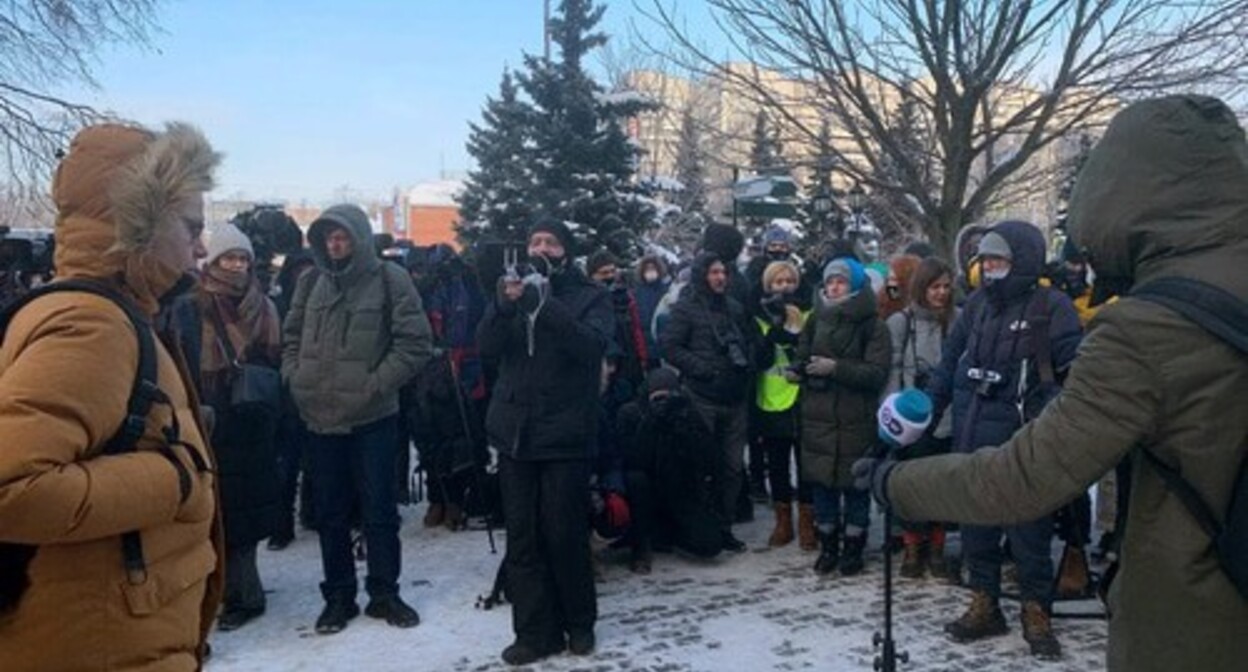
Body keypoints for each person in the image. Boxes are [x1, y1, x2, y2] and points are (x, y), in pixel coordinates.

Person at [860, 94, 1248, 671]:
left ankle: (1034, 609)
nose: (989, 271)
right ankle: (985, 600)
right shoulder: (979, 311)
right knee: (987, 544)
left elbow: (1026, 477)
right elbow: (950, 369)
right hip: (977, 430)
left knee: (1028, 537)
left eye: (998, 261)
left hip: (1197, 619)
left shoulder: (1141, 326)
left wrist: (898, 484)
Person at [0, 122, 222, 670]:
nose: (201, 246)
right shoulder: (92, 324)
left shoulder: (123, 316)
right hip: (94, 647)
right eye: (190, 226)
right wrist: (175, 478)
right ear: (140, 221)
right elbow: (11, 487)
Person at [283, 204, 433, 635]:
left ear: (359, 239)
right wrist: (296, 379)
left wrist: (374, 385)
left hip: (373, 420)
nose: (336, 244)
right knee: (329, 513)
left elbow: (415, 344)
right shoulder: (310, 282)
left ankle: (384, 593)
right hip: (319, 418)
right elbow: (290, 336)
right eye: (329, 237)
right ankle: (339, 597)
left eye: (344, 236)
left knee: (379, 512)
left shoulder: (390, 280)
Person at [477, 218, 613, 667]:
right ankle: (534, 631)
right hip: (516, 432)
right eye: (534, 241)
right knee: (523, 537)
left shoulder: (590, 295)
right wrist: (501, 306)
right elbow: (487, 349)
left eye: (551, 243)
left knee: (563, 532)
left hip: (565, 433)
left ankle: (578, 622)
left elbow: (592, 348)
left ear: (566, 252)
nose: (541, 248)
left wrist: (548, 306)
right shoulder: (511, 293)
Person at [195, 223, 283, 631]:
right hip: (210, 415)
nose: (236, 266)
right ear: (213, 261)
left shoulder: (264, 305)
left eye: (242, 259)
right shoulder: (194, 303)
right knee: (218, 512)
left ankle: (244, 594)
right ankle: (231, 591)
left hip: (252, 417)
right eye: (229, 258)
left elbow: (276, 354)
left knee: (245, 513)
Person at [792, 257, 890, 576]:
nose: (833, 287)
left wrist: (838, 369)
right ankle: (828, 545)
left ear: (855, 285)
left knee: (855, 487)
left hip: (855, 417)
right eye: (829, 281)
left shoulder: (873, 325)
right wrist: (798, 371)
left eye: (841, 281)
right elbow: (802, 353)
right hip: (818, 415)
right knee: (823, 486)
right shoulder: (815, 318)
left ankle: (853, 547)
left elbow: (876, 372)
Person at [661, 251, 762, 553]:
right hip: (702, 395)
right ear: (702, 275)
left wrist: (750, 362)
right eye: (714, 272)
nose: (720, 278)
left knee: (732, 467)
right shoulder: (686, 308)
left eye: (723, 273)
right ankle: (701, 527)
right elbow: (670, 346)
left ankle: (724, 525)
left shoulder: (733, 307)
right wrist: (701, 369)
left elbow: (749, 340)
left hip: (734, 396)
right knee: (703, 466)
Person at [884, 256, 958, 579]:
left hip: (949, 418)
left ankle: (938, 549)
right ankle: (913, 547)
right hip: (911, 418)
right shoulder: (902, 322)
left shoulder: (959, 320)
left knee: (942, 488)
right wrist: (892, 414)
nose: (941, 293)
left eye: (945, 286)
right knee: (911, 488)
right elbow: (893, 371)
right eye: (934, 286)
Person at [617, 367, 723, 570]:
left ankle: (671, 534)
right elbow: (634, 459)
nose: (663, 403)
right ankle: (642, 544)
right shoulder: (630, 413)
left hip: (680, 490)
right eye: (658, 398)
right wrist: (651, 421)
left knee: (710, 545)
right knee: (635, 479)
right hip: (645, 493)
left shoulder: (686, 412)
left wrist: (685, 426)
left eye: (668, 397)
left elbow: (711, 459)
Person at [751, 260, 815, 549]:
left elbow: (811, 351)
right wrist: (774, 332)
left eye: (790, 281)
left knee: (806, 463)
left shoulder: (810, 312)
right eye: (779, 281)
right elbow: (758, 358)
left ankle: (806, 521)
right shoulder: (757, 316)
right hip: (772, 398)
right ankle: (783, 521)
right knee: (776, 463)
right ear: (768, 285)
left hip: (803, 396)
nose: (785, 286)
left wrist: (793, 337)